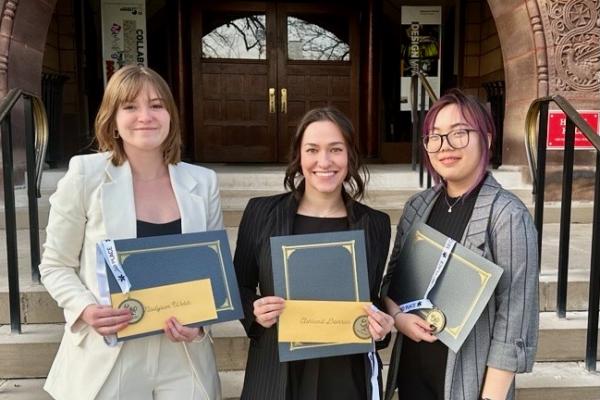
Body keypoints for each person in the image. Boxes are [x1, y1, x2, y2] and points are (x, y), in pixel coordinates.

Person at [39, 65, 223, 399]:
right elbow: (55, 265)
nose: (145, 116)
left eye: (156, 105)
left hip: (182, 354)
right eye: (130, 107)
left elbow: (212, 270)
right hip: (110, 350)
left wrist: (199, 324)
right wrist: (85, 309)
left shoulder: (203, 182)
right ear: (112, 118)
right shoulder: (85, 176)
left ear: (170, 115)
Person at [382, 89, 539, 400]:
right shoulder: (417, 207)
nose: (445, 146)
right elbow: (391, 282)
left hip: (468, 382)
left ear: (488, 139)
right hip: (412, 374)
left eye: (460, 133)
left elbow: (515, 320)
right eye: (435, 136)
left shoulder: (507, 216)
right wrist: (398, 318)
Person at [234, 107, 394, 400]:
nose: (324, 161)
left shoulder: (375, 224)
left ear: (350, 156)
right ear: (299, 156)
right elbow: (238, 285)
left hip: (345, 374)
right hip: (277, 370)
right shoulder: (260, 213)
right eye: (312, 150)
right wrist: (254, 310)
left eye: (336, 149)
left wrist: (381, 327)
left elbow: (370, 298)